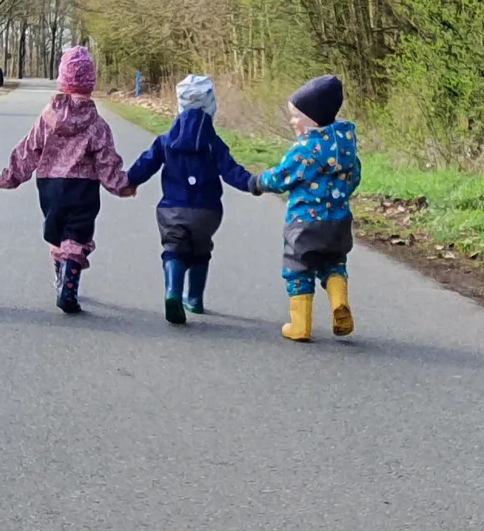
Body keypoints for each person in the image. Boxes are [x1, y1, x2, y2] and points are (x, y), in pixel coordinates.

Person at [0, 47, 134, 314]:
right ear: (90, 84)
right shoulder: (96, 123)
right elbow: (106, 160)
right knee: (77, 234)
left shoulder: (48, 117)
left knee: (58, 233)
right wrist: (121, 185)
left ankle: (61, 278)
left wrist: (11, 177)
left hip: (50, 186)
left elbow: (30, 148)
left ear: (62, 80)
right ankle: (69, 283)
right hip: (82, 187)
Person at [126, 75, 256, 324]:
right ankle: (194, 299)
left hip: (172, 210)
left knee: (173, 250)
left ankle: (173, 291)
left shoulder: (166, 141)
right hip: (207, 212)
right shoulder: (213, 144)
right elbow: (231, 170)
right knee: (200, 251)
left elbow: (146, 163)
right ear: (211, 106)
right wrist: (253, 183)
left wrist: (129, 181)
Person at [254, 75, 361, 341]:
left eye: (295, 116)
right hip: (338, 223)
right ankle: (339, 303)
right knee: (334, 263)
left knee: (297, 268)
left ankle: (300, 326)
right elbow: (355, 177)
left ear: (313, 119)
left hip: (305, 224)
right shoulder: (346, 148)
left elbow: (282, 178)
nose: (292, 122)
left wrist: (258, 182)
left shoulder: (305, 150)